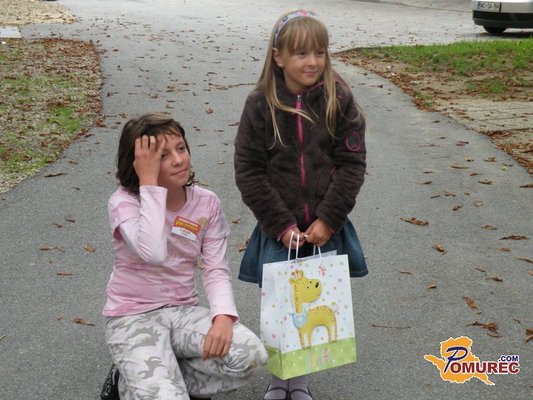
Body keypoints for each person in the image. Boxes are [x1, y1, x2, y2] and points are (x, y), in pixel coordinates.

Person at [234, 10, 368, 400]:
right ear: (278, 56)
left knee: (317, 303)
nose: (312, 62)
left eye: (320, 52)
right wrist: (280, 225)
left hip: (324, 228)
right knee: (282, 304)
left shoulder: (339, 98)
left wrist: (329, 218)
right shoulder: (260, 104)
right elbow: (249, 170)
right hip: (281, 228)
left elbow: (352, 164)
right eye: (301, 54)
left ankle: (301, 381)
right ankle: (280, 381)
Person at [101, 112, 268, 400]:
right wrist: (149, 184)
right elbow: (153, 252)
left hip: (182, 313)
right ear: (139, 164)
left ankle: (149, 380)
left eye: (181, 148)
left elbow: (215, 268)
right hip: (131, 317)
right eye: (163, 156)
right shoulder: (124, 202)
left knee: (250, 355)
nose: (179, 160)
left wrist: (223, 316)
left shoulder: (207, 202)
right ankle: (132, 380)